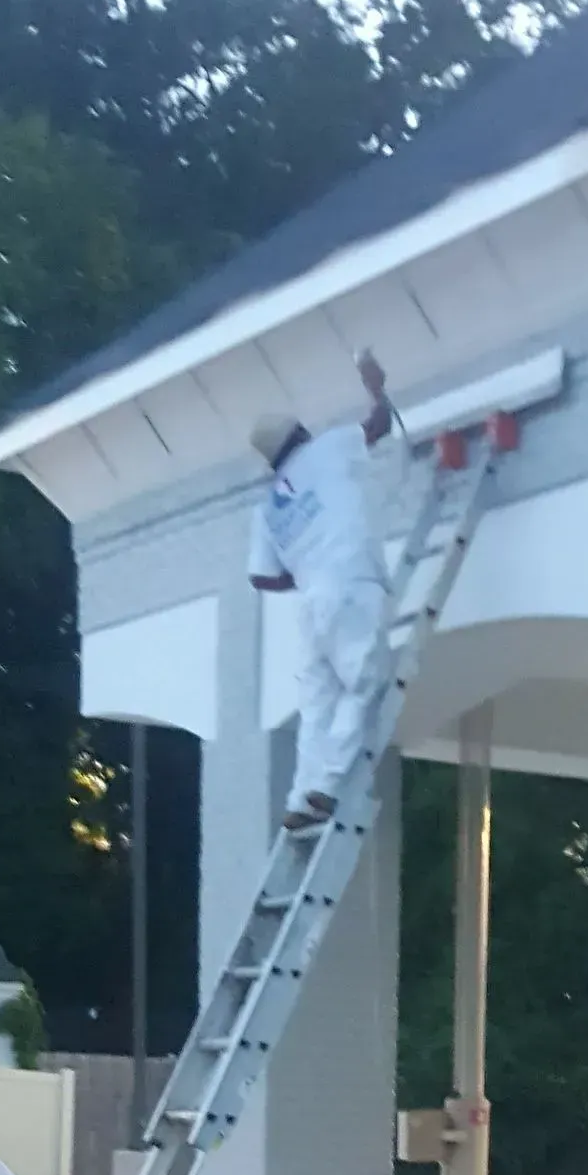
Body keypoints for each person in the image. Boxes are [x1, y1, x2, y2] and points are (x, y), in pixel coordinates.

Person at [248, 346, 403, 834]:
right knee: (366, 682)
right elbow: (378, 425)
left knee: (317, 704)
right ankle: (327, 787)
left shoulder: (268, 507)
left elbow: (260, 577)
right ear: (300, 435)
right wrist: (377, 385)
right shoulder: (330, 448)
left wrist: (305, 569)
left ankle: (300, 797)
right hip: (352, 582)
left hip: (313, 603)